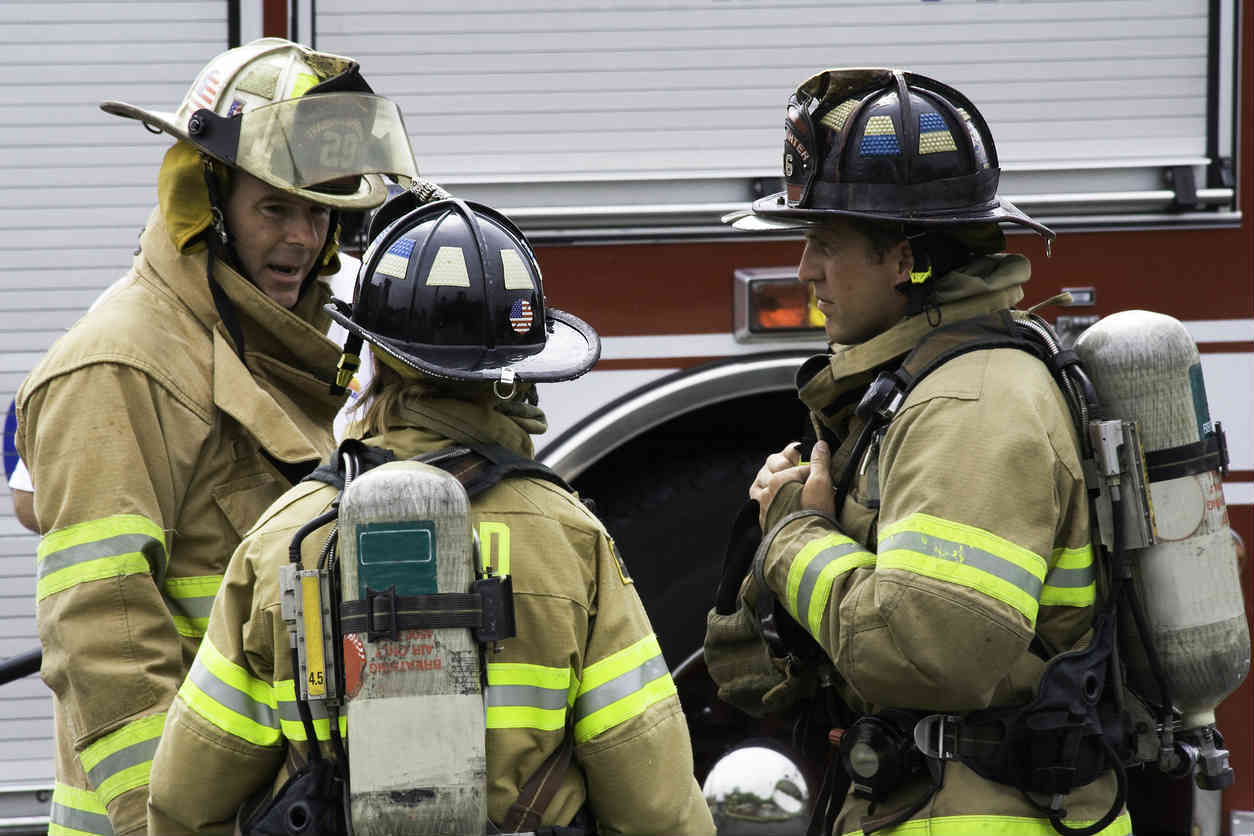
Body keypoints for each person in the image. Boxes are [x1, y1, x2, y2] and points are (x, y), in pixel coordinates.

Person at [145, 198, 715, 835]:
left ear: (375, 361)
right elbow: (658, 809)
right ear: (516, 377)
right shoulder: (571, 540)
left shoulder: (287, 538)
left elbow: (182, 801)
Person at [706, 69, 1131, 834]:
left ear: (904, 260)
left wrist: (794, 539)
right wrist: (788, 524)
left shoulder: (972, 405)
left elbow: (929, 648)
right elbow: (762, 676)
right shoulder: (914, 390)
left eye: (825, 244)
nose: (805, 271)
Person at [15, 38, 420, 836]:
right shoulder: (121, 366)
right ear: (205, 201)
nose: (304, 240)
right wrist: (163, 821)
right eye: (275, 208)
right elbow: (101, 630)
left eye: (321, 211)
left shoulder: (282, 347)